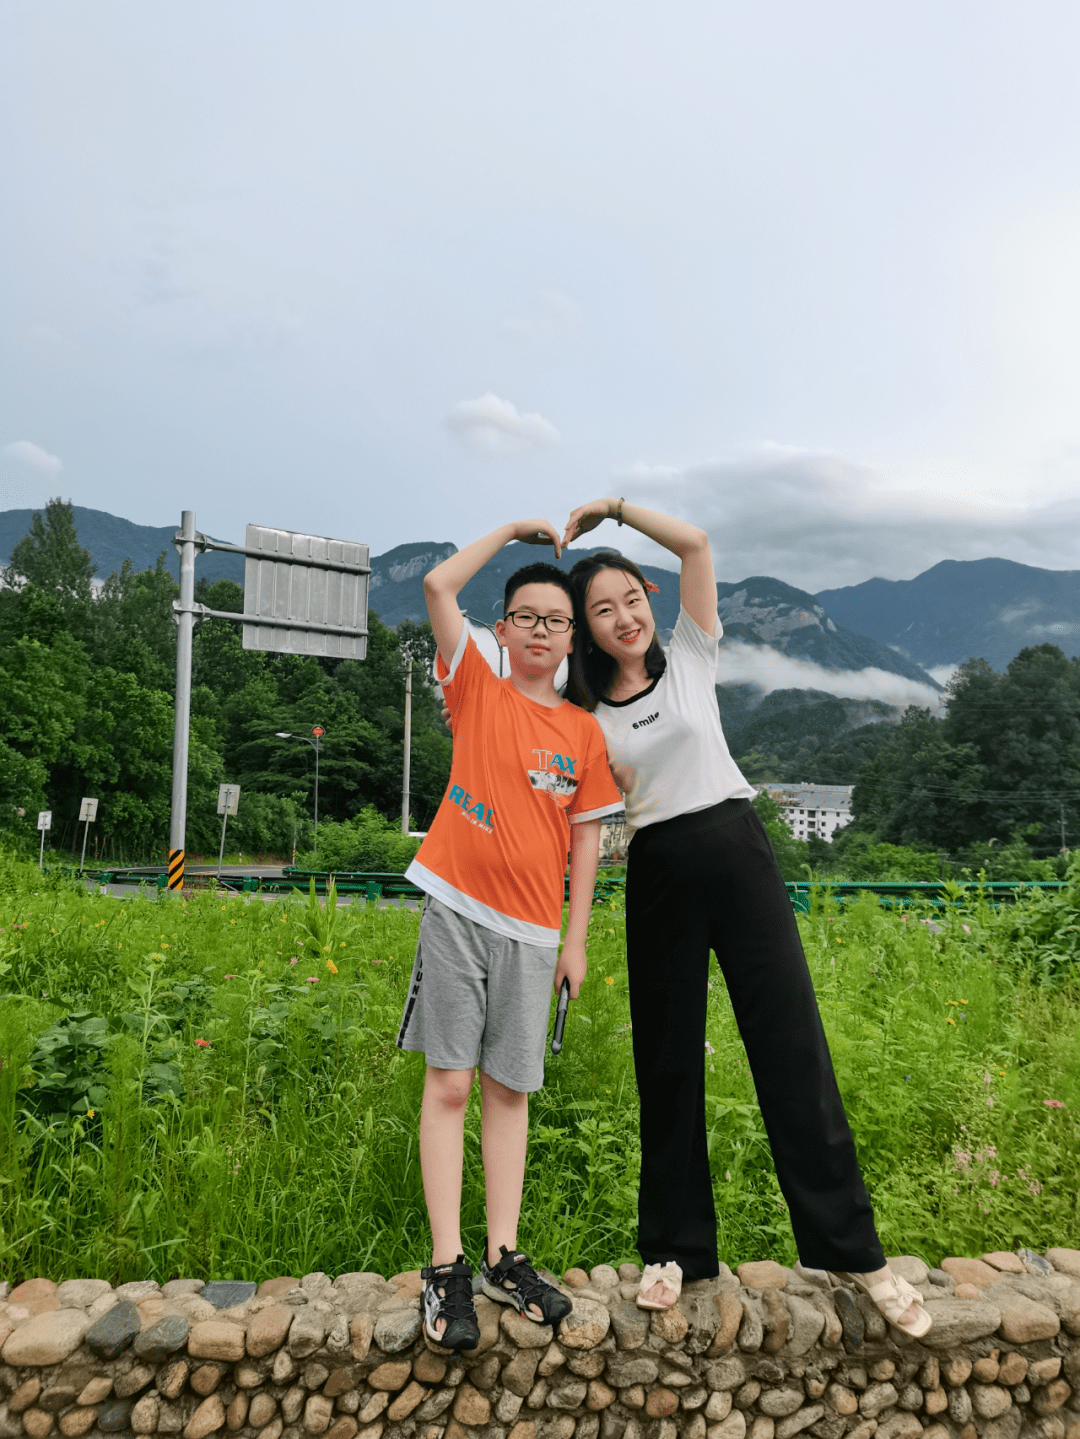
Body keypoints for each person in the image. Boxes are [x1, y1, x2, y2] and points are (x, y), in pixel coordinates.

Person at [561, 496, 931, 1339]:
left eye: (629, 600)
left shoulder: (692, 653)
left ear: (649, 601)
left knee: (790, 1040)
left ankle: (855, 1251)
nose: (621, 618)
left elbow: (694, 541)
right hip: (657, 866)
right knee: (666, 1055)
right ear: (586, 627)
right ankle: (673, 1247)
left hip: (736, 846)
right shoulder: (588, 712)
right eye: (601, 610)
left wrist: (614, 510)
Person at [398, 518, 625, 1350]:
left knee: (509, 1092)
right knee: (450, 1086)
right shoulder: (475, 689)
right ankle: (446, 1263)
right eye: (525, 616)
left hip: (534, 934)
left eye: (555, 620)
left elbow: (588, 838)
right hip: (458, 911)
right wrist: (506, 531)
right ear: (503, 629)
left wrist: (576, 939)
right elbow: (435, 588)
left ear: (572, 639)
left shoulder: (582, 732)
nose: (540, 629)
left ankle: (502, 1253)